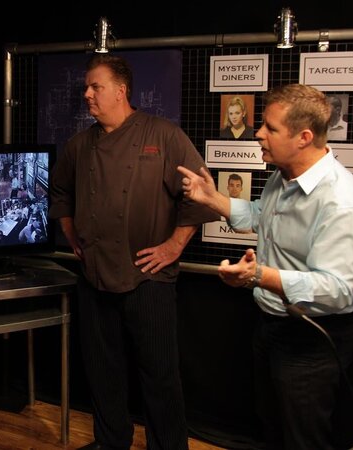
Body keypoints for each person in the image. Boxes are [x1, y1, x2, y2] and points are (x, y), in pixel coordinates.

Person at [177, 84, 353, 450]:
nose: (258, 134)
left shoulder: (342, 202)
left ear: (304, 137)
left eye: (270, 128)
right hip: (270, 326)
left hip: (311, 341)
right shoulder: (282, 177)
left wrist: (258, 276)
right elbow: (259, 215)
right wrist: (211, 198)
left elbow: (337, 289)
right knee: (270, 427)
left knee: (302, 439)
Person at [50, 54, 219, 450]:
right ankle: (111, 442)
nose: (87, 94)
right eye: (86, 87)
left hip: (148, 278)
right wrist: (72, 233)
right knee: (102, 370)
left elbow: (199, 196)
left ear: (121, 91)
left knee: (159, 375)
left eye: (96, 87)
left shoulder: (164, 136)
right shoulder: (79, 146)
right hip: (95, 276)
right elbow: (59, 192)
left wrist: (173, 246)